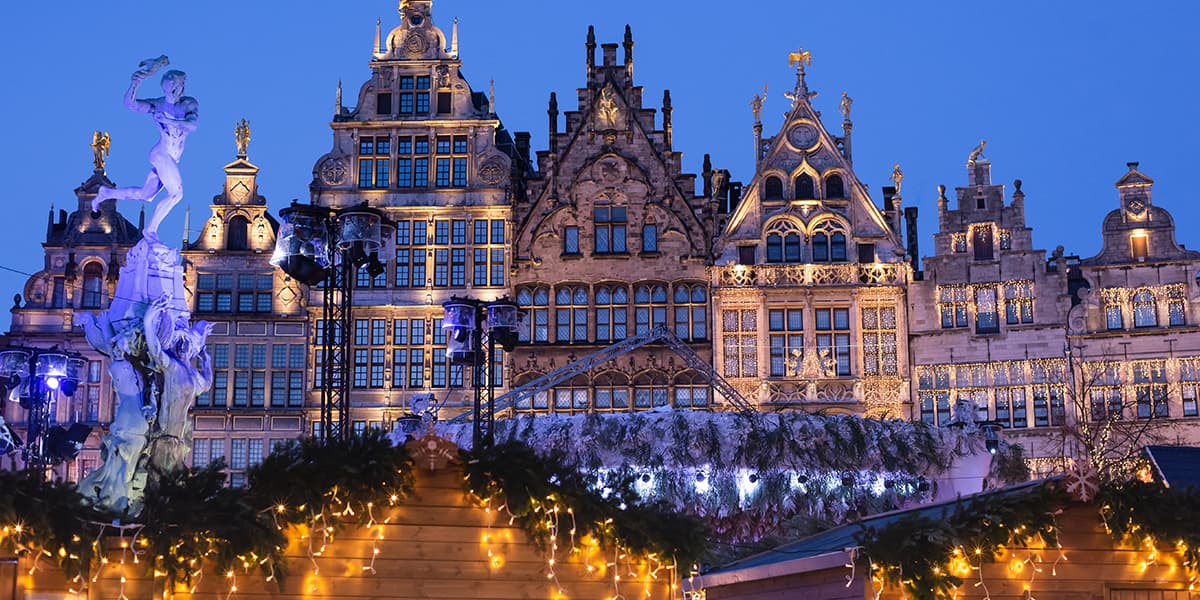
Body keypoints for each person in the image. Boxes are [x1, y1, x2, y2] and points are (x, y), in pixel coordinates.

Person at [92, 56, 198, 240]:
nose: (176, 91)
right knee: (176, 194)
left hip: (171, 158)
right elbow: (131, 104)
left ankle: (107, 193)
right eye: (172, 89)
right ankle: (150, 231)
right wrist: (135, 84)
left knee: (146, 195)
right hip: (161, 154)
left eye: (177, 87)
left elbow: (192, 125)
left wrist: (170, 120)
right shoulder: (158, 104)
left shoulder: (188, 104)